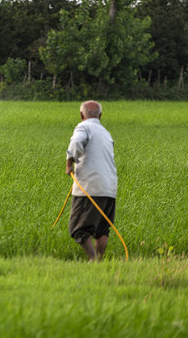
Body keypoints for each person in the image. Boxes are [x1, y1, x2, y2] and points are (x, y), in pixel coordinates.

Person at [65, 100, 117, 261]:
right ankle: (100, 262)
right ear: (100, 115)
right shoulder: (105, 132)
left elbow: (76, 142)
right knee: (101, 229)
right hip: (109, 188)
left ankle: (93, 260)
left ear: (82, 115)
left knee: (78, 229)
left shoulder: (83, 127)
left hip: (90, 187)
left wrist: (69, 163)